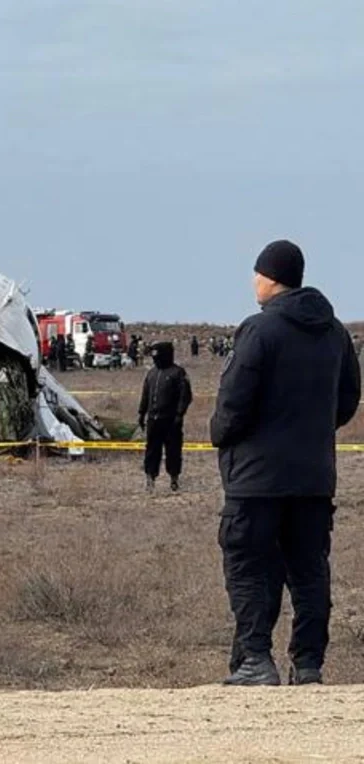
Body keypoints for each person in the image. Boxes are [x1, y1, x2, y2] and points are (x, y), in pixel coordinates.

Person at [211, 240, 361, 687]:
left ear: (270, 277)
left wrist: (222, 434)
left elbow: (234, 402)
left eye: (257, 273)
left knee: (249, 567)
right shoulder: (334, 332)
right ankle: (309, 664)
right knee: (310, 571)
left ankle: (256, 659)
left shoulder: (259, 331)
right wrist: (311, 433)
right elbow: (349, 399)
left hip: (256, 480)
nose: (254, 282)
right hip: (314, 477)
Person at [137, 341, 192, 492]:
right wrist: (141, 413)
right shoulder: (152, 373)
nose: (155, 359)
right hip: (153, 419)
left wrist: (180, 414)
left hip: (171, 420)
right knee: (152, 450)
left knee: (173, 450)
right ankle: (150, 478)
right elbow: (145, 395)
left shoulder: (178, 373)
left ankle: (174, 478)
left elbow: (185, 396)